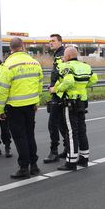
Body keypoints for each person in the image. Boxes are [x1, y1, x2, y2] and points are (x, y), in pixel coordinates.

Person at [0, 37, 44, 179]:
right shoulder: (34, 62)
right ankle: (34, 165)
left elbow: (2, 90)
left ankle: (24, 167)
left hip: (15, 106)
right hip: (30, 105)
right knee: (30, 135)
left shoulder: (8, 65)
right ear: (22, 46)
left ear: (10, 48)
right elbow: (40, 84)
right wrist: (36, 102)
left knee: (19, 137)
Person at [50, 46, 98, 171]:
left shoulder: (67, 66)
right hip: (82, 101)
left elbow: (69, 82)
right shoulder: (85, 66)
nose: (63, 58)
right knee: (82, 131)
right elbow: (94, 79)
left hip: (70, 102)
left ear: (68, 56)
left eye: (64, 56)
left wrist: (55, 89)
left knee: (71, 132)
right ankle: (84, 159)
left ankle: (71, 162)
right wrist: (82, 87)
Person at [44, 33, 66, 163]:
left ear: (60, 42)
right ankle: (67, 148)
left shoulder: (62, 55)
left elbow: (63, 75)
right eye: (49, 41)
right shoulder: (58, 54)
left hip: (59, 94)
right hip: (58, 93)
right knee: (61, 123)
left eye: (53, 41)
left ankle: (54, 152)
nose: (50, 43)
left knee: (53, 124)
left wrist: (55, 88)